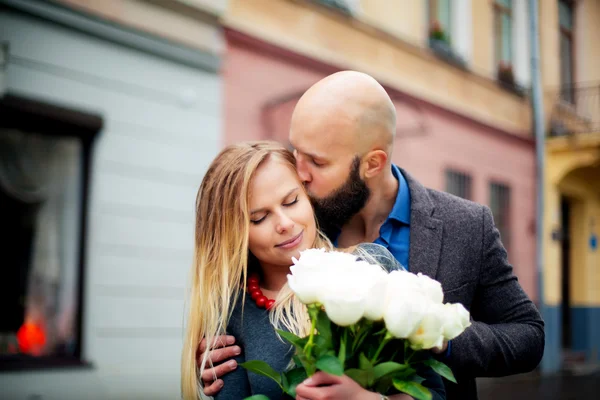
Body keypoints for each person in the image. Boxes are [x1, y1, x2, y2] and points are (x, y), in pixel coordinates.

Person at [198, 72, 545, 400]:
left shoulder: (466, 225)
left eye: (317, 162)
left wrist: (432, 331)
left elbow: (528, 336)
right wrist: (216, 354)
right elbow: (233, 258)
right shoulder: (297, 216)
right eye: (296, 152)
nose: (299, 174)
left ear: (372, 164)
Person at [181, 141, 446, 400]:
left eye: (291, 201)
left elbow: (434, 392)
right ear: (232, 234)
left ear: (307, 196)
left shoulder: (370, 266)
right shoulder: (232, 311)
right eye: (259, 218)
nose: (284, 223)